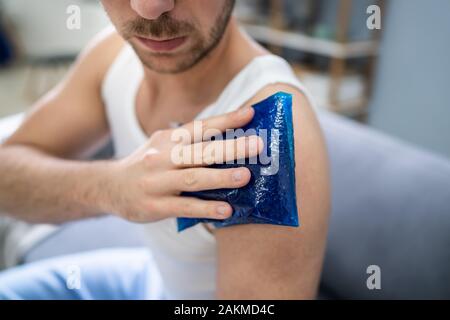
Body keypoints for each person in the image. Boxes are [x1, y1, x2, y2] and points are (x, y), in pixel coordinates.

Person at [0, 0, 329, 299]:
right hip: (148, 280)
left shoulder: (264, 130)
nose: (149, 8)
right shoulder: (114, 54)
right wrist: (109, 188)